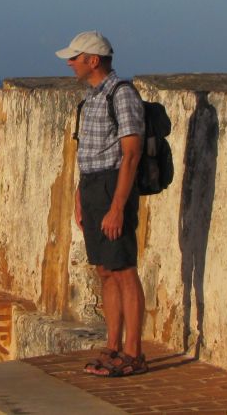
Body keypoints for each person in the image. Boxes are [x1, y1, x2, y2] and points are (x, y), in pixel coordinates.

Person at [56, 30, 147, 377]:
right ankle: (113, 345)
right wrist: (82, 197)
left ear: (93, 60)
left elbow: (131, 154)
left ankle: (134, 352)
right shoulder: (92, 99)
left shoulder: (121, 95)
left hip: (113, 185)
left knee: (123, 269)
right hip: (93, 186)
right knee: (105, 270)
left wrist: (117, 206)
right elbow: (87, 154)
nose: (70, 63)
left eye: (75, 57)